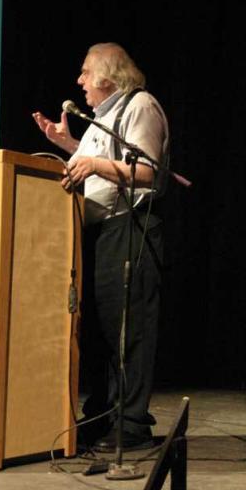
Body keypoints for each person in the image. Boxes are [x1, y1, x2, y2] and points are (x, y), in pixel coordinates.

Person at [32, 42, 169, 452]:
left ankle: (132, 425)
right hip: (103, 232)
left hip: (132, 229)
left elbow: (146, 171)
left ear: (108, 76)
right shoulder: (102, 119)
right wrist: (70, 146)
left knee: (128, 332)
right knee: (104, 332)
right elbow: (107, 161)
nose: (79, 81)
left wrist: (90, 164)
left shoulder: (140, 106)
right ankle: (104, 414)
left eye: (85, 73)